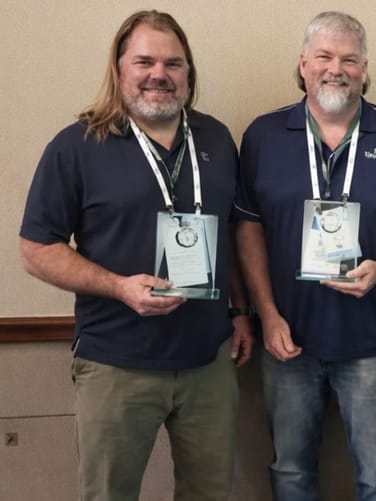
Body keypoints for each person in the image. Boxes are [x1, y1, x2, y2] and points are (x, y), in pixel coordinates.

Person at [19, 10, 253, 501]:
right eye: (144, 61)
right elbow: (36, 249)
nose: (159, 75)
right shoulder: (78, 146)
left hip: (206, 363)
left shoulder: (215, 139)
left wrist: (238, 311)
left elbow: (229, 233)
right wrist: (117, 286)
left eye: (174, 63)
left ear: (189, 73)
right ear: (119, 68)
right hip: (116, 363)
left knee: (210, 493)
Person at [234, 11, 376, 501]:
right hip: (287, 341)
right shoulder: (262, 136)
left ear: (365, 68)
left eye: (349, 59)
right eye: (323, 56)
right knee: (291, 473)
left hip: (371, 342)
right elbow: (248, 229)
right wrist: (266, 315)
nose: (335, 68)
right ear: (303, 64)